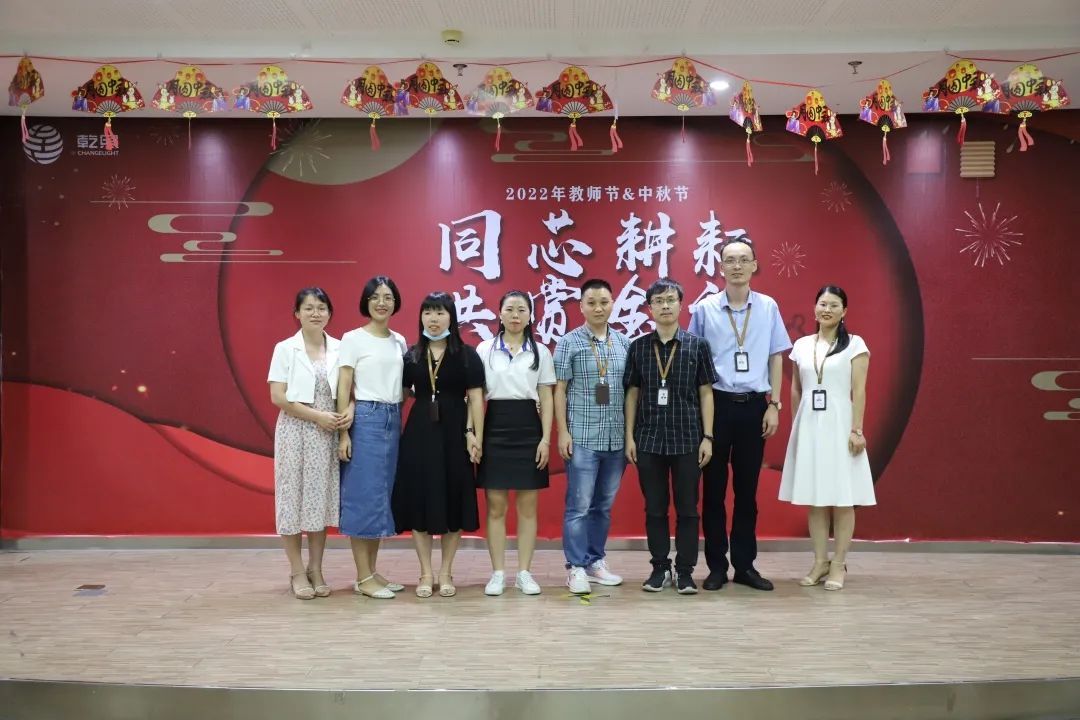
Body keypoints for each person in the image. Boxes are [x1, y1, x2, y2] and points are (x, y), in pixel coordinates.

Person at [688, 239, 792, 592]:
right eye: (730, 260)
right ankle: (716, 567)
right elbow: (693, 360)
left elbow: (776, 355)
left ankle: (745, 566)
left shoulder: (768, 307)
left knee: (747, 492)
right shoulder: (704, 309)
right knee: (713, 492)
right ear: (720, 267)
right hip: (715, 407)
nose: (736, 266)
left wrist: (775, 404)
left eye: (743, 260)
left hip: (754, 407)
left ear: (754, 265)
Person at [624, 278, 717, 594]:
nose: (665, 306)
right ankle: (660, 568)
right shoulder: (638, 347)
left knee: (688, 509)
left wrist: (708, 437)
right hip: (648, 439)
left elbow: (706, 393)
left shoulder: (697, 345)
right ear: (649, 308)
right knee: (655, 508)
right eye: (658, 301)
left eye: (670, 300)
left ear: (681, 304)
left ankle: (686, 571)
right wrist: (629, 436)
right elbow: (632, 394)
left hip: (688, 439)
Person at [779, 286, 874, 591]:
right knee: (816, 498)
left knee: (842, 498)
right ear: (814, 308)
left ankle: (838, 563)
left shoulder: (855, 344)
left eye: (834, 305)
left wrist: (857, 430)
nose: (827, 309)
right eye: (822, 304)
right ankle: (820, 561)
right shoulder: (802, 345)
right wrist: (797, 427)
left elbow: (859, 391)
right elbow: (796, 389)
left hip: (840, 424)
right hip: (809, 425)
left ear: (844, 311)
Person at [393, 292, 485, 598]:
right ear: (421, 317)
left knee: (453, 499)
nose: (433, 319)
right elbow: (401, 394)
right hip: (419, 435)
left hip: (455, 434)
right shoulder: (411, 355)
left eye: (440, 313)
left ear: (452, 318)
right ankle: (425, 572)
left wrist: (474, 434)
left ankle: (446, 572)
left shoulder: (467, 355)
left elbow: (475, 398)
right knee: (420, 500)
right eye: (428, 313)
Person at [268, 287, 350, 600]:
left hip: (327, 434)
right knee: (291, 500)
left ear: (330, 313)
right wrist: (318, 416)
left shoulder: (341, 348)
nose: (316, 313)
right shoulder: (285, 348)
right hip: (295, 430)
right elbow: (278, 397)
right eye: (309, 308)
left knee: (319, 501)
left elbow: (351, 391)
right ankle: (296, 571)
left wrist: (349, 411)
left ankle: (316, 568)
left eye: (321, 308)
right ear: (297, 314)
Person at [476, 291, 556, 596]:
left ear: (530, 315)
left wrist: (545, 439)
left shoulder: (540, 352)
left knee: (527, 506)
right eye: (509, 309)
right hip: (494, 426)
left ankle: (524, 572)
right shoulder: (484, 349)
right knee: (496, 506)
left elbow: (547, 396)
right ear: (499, 313)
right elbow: (475, 396)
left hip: (529, 429)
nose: (515, 315)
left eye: (522, 310)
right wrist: (474, 433)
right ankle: (498, 573)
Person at [554, 279, 630, 594]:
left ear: (612, 304)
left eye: (604, 302)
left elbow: (631, 394)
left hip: (616, 438)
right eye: (591, 302)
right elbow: (559, 390)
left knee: (603, 507)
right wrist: (563, 432)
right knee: (579, 507)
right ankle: (575, 567)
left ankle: (595, 561)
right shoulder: (568, 342)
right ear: (581, 306)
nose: (598, 308)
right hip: (583, 437)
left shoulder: (624, 343)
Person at [336, 276, 408, 600]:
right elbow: (344, 385)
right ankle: (363, 577)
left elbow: (404, 387)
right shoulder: (352, 339)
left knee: (380, 496)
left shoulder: (399, 341)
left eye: (388, 297)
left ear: (395, 303)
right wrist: (343, 433)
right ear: (366, 302)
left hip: (394, 417)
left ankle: (372, 571)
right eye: (376, 297)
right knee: (363, 495)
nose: (382, 302)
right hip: (366, 418)